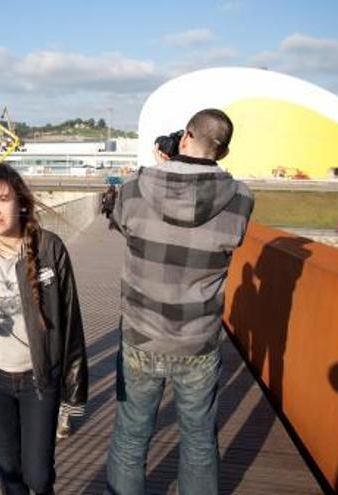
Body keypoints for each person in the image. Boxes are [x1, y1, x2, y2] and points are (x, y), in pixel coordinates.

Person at [106, 109, 254, 495]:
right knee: (200, 442)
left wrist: (162, 167)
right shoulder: (240, 199)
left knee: (130, 439)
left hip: (141, 335)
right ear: (222, 151)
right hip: (199, 341)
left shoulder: (137, 187)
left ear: (185, 137)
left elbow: (122, 221)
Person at [0, 163, 88, 494]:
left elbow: (71, 318)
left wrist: (75, 389)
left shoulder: (49, 248)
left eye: (2, 200)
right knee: (9, 472)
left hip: (39, 378)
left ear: (21, 202)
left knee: (39, 477)